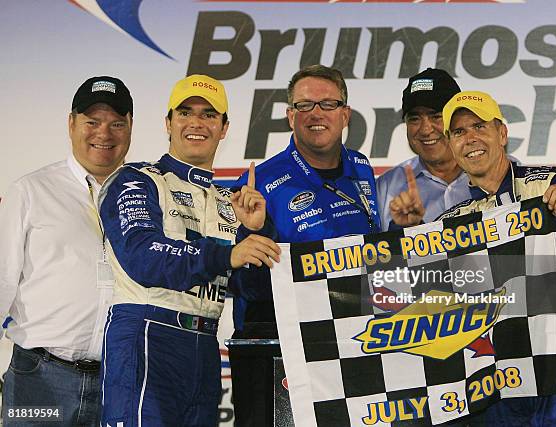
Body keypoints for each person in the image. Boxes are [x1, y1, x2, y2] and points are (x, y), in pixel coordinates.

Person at [393, 90, 556, 425]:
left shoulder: (552, 184)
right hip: (489, 359)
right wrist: (406, 232)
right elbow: (423, 297)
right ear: (451, 146)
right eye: (460, 132)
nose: (471, 138)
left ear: (502, 134)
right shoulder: (451, 222)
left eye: (480, 126)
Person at [97, 74, 279, 427]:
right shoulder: (138, 179)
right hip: (147, 335)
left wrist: (255, 230)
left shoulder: (231, 201)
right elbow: (143, 256)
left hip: (205, 347)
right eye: (185, 112)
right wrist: (226, 254)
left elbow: (252, 291)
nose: (196, 123)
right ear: (168, 122)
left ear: (224, 128)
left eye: (209, 115)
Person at [228, 64, 381, 427]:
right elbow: (244, 286)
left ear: (345, 114)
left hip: (353, 342)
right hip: (279, 350)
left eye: (328, 104)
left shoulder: (362, 167)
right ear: (289, 115)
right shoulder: (257, 183)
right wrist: (257, 230)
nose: (316, 114)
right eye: (305, 105)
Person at [0, 76, 133, 426]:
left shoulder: (145, 196)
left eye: (116, 123)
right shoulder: (29, 191)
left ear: (131, 127)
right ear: (71, 123)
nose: (104, 134)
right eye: (92, 121)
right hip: (39, 378)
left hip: (118, 382)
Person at [376, 68, 470, 230]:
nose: (426, 130)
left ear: (458, 118)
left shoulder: (498, 172)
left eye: (436, 116)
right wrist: (405, 229)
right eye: (414, 118)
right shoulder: (385, 187)